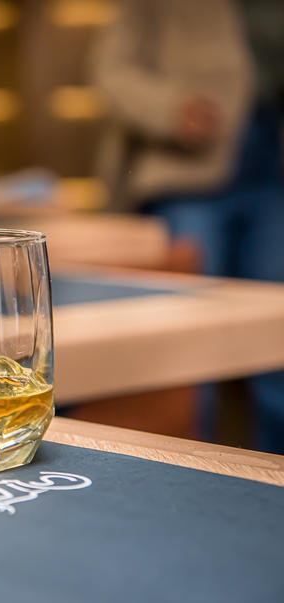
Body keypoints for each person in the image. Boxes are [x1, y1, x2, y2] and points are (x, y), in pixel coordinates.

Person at [93, 0, 284, 452]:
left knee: (277, 340)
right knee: (187, 350)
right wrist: (172, 109)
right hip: (189, 173)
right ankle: (192, 474)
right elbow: (112, 72)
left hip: (271, 173)